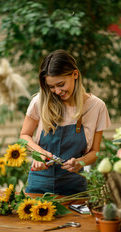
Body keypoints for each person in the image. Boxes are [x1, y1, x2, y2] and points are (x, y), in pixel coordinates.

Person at [20, 49, 111, 196]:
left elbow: (95, 152)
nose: (56, 91)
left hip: (75, 187)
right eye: (51, 86)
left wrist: (79, 163)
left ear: (75, 74)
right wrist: (39, 153)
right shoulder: (40, 101)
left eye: (61, 84)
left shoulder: (97, 107)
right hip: (39, 183)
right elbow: (24, 135)